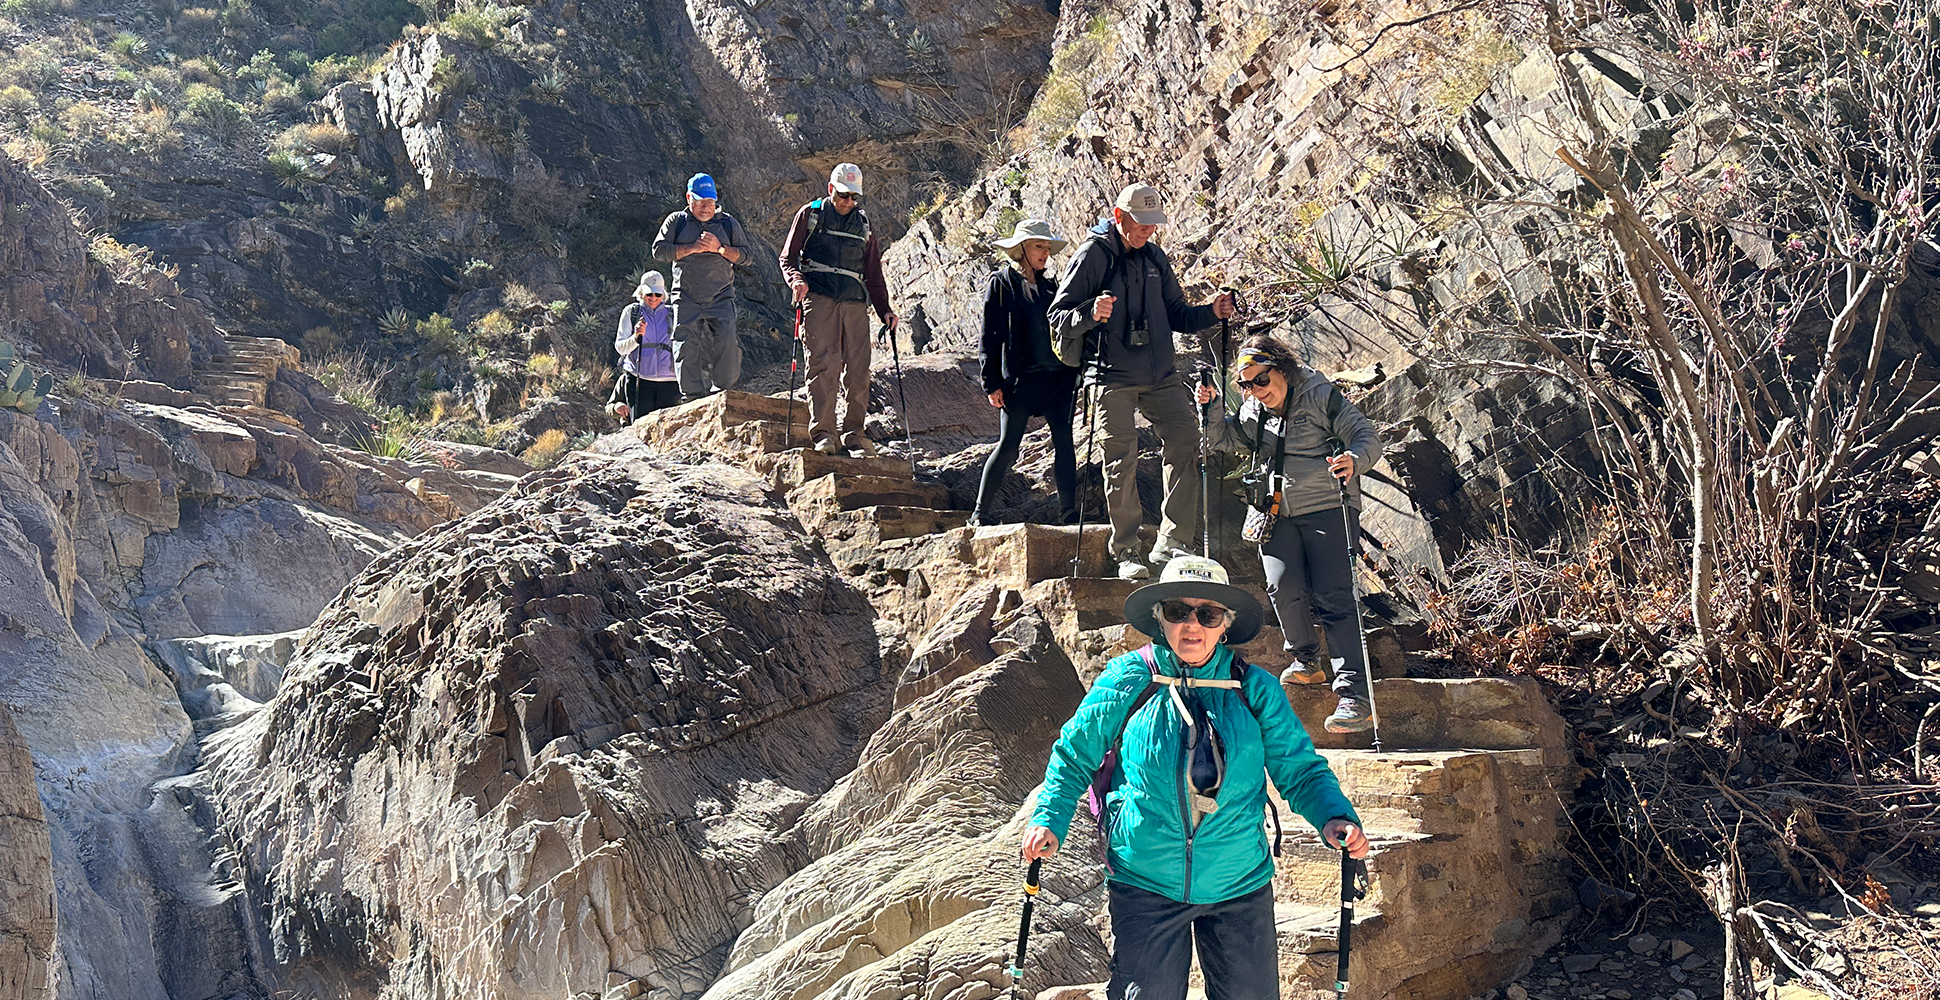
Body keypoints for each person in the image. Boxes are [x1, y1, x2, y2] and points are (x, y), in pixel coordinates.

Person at [1021, 555, 1369, 999]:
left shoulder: (1255, 688)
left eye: (1207, 614)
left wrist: (1333, 816)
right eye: (1178, 611)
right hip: (1145, 881)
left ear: (1225, 624)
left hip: (1239, 883)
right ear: (1158, 617)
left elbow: (1299, 770)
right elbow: (1074, 755)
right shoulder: (1129, 678)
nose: (1192, 625)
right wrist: (1049, 818)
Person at [1197, 334, 1385, 734]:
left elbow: (1367, 436)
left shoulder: (1320, 394)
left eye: (1260, 380)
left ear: (1280, 369)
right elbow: (1224, 440)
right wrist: (1213, 407)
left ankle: (1354, 693)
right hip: (1276, 512)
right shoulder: (1253, 409)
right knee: (1283, 587)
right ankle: (1306, 661)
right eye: (1246, 385)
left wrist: (1354, 460)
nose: (1254, 391)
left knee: (1335, 595)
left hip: (1330, 508)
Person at [1048, 183, 1234, 580]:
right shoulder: (1093, 255)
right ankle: (1127, 551)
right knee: (1120, 460)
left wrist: (1211, 312)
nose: (1147, 231)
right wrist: (1090, 312)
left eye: (1153, 224)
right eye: (1140, 223)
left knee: (1186, 439)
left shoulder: (1155, 257)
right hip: (1111, 376)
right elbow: (1058, 315)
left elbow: (1177, 314)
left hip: (1161, 375)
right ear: (1119, 217)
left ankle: (1173, 543)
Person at [778, 162, 899, 456]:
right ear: (831, 189)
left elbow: (873, 273)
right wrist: (796, 281)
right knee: (823, 366)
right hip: (818, 298)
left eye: (853, 197)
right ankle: (824, 434)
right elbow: (788, 258)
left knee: (859, 369)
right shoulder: (811, 214)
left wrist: (885, 309)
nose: (848, 202)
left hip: (855, 303)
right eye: (843, 195)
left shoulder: (864, 224)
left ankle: (854, 434)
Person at [971, 218, 1078, 526]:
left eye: (1047, 247)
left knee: (1064, 442)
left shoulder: (1051, 287)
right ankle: (980, 513)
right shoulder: (1002, 282)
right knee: (1008, 445)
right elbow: (990, 334)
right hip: (1020, 381)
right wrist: (991, 382)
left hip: (1057, 379)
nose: (1045, 253)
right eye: (1038, 246)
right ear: (1021, 249)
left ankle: (1068, 511)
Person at [652, 172, 749, 401]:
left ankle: (722, 390)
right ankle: (692, 396)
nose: (706, 207)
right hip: (686, 296)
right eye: (701, 201)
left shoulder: (727, 222)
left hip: (721, 295)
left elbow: (746, 256)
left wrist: (720, 249)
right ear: (689, 198)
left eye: (711, 202)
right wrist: (693, 248)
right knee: (685, 345)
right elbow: (659, 250)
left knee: (726, 339)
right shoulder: (677, 221)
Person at [610, 270, 679, 424]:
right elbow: (620, 348)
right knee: (640, 429)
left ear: (663, 295)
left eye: (657, 294)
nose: (653, 298)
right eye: (649, 294)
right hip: (639, 381)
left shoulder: (673, 313)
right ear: (641, 293)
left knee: (667, 432)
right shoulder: (632, 312)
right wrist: (636, 337)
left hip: (669, 382)